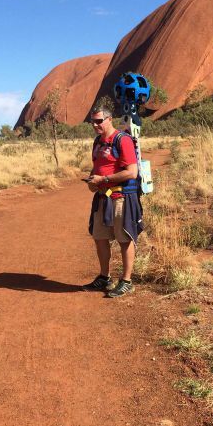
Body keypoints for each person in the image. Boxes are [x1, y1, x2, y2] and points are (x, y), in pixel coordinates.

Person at [82, 105, 143, 297]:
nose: (95, 125)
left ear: (110, 119)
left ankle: (126, 281)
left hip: (121, 198)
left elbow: (132, 172)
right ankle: (104, 277)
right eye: (93, 121)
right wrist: (93, 179)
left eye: (99, 121)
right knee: (100, 238)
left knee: (124, 239)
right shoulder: (97, 142)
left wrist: (105, 180)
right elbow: (98, 167)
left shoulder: (122, 140)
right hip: (102, 198)